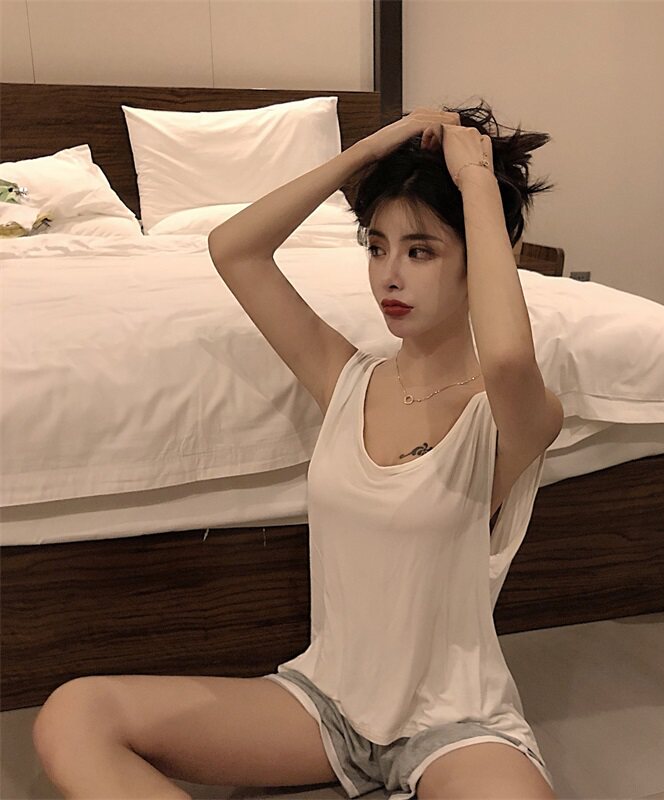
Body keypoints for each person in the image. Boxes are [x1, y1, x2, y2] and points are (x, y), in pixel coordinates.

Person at [33, 100, 561, 800]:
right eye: (376, 247)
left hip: (456, 724)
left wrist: (478, 185)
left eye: (421, 251)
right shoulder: (346, 380)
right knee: (75, 713)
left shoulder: (512, 413)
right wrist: (370, 150)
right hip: (324, 705)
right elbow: (234, 249)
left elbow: (507, 354)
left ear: (484, 257)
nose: (389, 276)